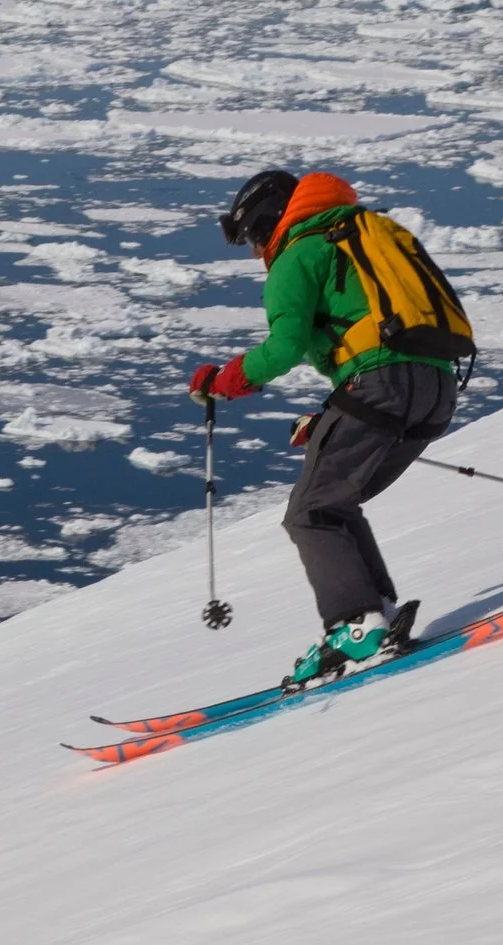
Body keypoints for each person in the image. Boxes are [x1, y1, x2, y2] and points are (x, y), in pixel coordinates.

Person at [189, 168, 462, 690]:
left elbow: (285, 346)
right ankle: (374, 613)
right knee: (332, 501)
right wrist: (333, 421)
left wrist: (225, 381)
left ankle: (356, 627)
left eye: (252, 237)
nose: (254, 252)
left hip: (381, 385)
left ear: (269, 221)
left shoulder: (298, 254)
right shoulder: (358, 237)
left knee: (312, 511)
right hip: (436, 388)